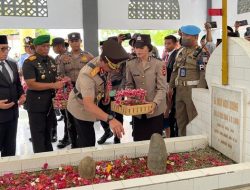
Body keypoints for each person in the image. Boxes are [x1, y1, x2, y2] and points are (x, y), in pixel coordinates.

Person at [67, 39, 129, 148]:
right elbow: (88, 104)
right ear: (103, 61)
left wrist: (106, 92)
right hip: (80, 107)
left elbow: (106, 75)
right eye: (112, 67)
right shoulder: (87, 75)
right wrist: (111, 119)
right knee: (87, 142)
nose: (114, 70)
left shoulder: (102, 62)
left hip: (91, 101)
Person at [22, 35, 64, 153]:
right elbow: (31, 84)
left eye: (48, 46)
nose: (46, 48)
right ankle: (40, 160)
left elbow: (54, 78)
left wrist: (60, 80)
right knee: (38, 133)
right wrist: (53, 85)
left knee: (48, 131)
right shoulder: (29, 62)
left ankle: (48, 156)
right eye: (43, 46)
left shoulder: (50, 60)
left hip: (50, 103)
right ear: (36, 47)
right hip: (36, 103)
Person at [126, 34, 167, 141]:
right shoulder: (130, 64)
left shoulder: (158, 64)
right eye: (136, 47)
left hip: (155, 109)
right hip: (138, 109)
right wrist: (129, 97)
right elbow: (129, 84)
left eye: (141, 48)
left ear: (148, 48)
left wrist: (154, 103)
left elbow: (162, 88)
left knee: (155, 139)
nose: (138, 50)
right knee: (138, 138)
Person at [58, 32, 94, 148]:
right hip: (70, 90)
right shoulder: (63, 58)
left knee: (85, 117)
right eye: (72, 41)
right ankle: (74, 144)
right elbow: (59, 74)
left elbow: (95, 73)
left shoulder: (88, 56)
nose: (75, 43)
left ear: (80, 41)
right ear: (69, 42)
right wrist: (64, 78)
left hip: (85, 90)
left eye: (77, 40)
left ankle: (86, 143)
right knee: (71, 120)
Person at [169, 25, 206, 136]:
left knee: (193, 119)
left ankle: (193, 145)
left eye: (186, 35)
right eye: (182, 35)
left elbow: (203, 73)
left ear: (195, 37)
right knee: (180, 120)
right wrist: (170, 86)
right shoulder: (180, 51)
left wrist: (199, 93)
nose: (183, 37)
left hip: (192, 90)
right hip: (180, 90)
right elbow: (175, 70)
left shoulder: (201, 52)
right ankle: (182, 143)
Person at [0, 35, 26, 157]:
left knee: (10, 148)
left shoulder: (12, 63)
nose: (5, 52)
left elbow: (17, 84)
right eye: (2, 49)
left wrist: (22, 95)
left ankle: (7, 175)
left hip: (12, 114)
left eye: (7, 48)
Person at [51, 37, 71, 148]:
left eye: (53, 47)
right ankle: (68, 136)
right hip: (61, 90)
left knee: (69, 115)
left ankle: (68, 137)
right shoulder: (57, 57)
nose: (53, 49)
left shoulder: (68, 57)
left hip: (69, 90)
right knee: (65, 115)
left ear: (59, 46)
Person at [163, 35, 179, 138]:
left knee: (172, 112)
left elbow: (174, 72)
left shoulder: (176, 54)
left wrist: (171, 87)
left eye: (169, 43)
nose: (166, 45)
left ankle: (173, 135)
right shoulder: (169, 55)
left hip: (173, 87)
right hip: (168, 85)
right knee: (169, 111)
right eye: (165, 43)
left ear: (175, 43)